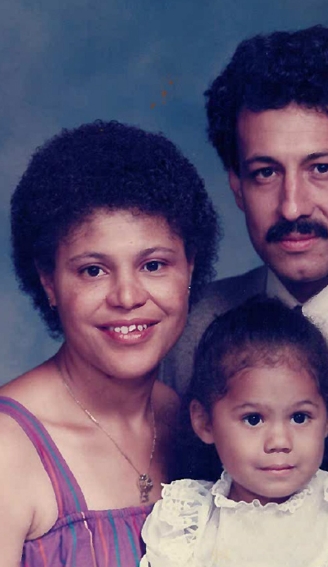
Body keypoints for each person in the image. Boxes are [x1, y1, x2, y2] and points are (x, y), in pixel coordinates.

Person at [161, 25, 328, 525]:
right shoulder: (187, 327)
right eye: (265, 173)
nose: (292, 204)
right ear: (237, 185)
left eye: (321, 168)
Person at [0, 120, 219, 566]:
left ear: (190, 269)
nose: (127, 296)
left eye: (154, 265)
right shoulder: (8, 449)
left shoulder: (192, 421)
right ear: (49, 283)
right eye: (93, 271)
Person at [145, 298, 328, 566]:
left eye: (300, 417)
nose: (280, 441)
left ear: (327, 419)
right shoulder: (185, 525)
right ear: (205, 422)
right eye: (253, 419)